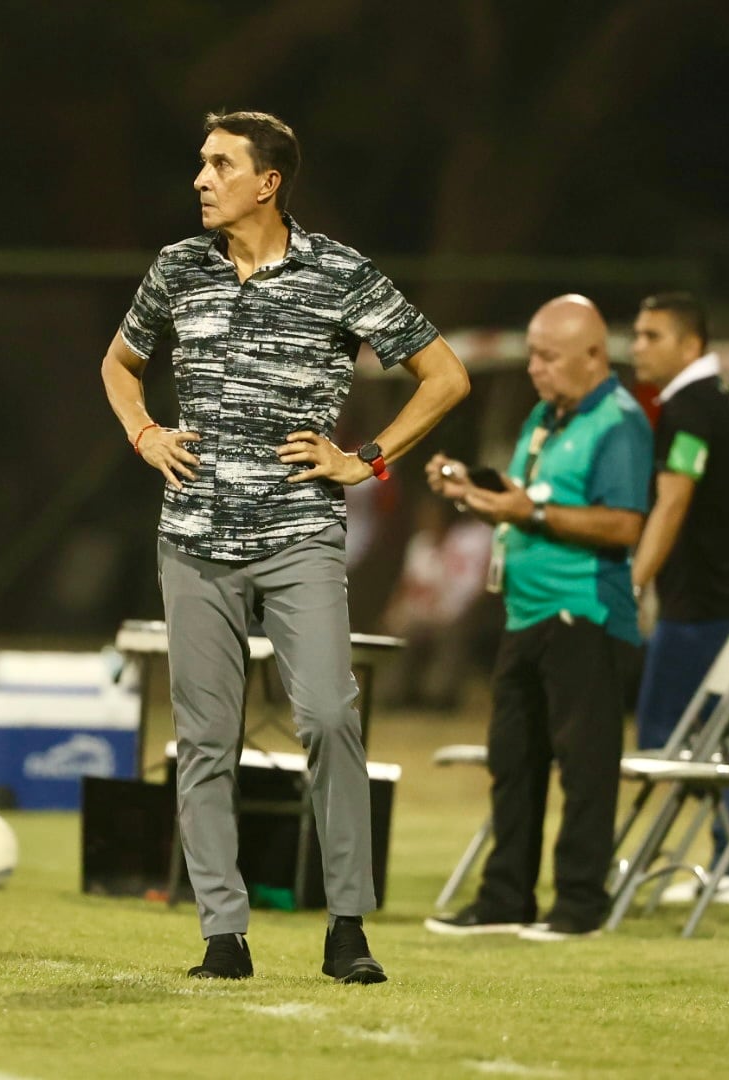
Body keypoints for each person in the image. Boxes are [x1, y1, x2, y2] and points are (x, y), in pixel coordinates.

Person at [101, 111, 470, 982]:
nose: (200, 178)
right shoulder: (177, 268)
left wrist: (365, 459)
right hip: (191, 536)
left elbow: (445, 374)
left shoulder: (339, 272)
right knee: (204, 741)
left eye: (219, 164)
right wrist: (144, 434)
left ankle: (348, 927)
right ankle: (224, 938)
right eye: (200, 162)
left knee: (331, 716)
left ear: (267, 183)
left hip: (299, 534)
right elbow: (119, 364)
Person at [423, 295, 651, 942]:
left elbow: (624, 523)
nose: (536, 369)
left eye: (550, 357)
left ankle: (580, 905)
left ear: (594, 356)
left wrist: (532, 518)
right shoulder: (546, 419)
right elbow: (526, 498)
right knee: (513, 761)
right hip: (525, 613)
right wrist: (472, 487)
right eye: (532, 357)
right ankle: (505, 898)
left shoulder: (619, 421)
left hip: (584, 612)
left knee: (584, 767)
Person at [628, 291, 729, 905]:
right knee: (726, 737)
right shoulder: (723, 396)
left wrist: (635, 580)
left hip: (704, 604)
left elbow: (672, 503)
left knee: (664, 739)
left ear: (689, 345)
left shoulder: (689, 408)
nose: (636, 345)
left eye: (651, 336)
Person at [378, 494, 497, 711]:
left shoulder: (457, 543)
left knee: (449, 635)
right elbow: (407, 584)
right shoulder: (420, 543)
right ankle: (394, 695)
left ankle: (438, 695)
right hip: (421, 614)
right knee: (405, 632)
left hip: (450, 613)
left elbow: (461, 587)